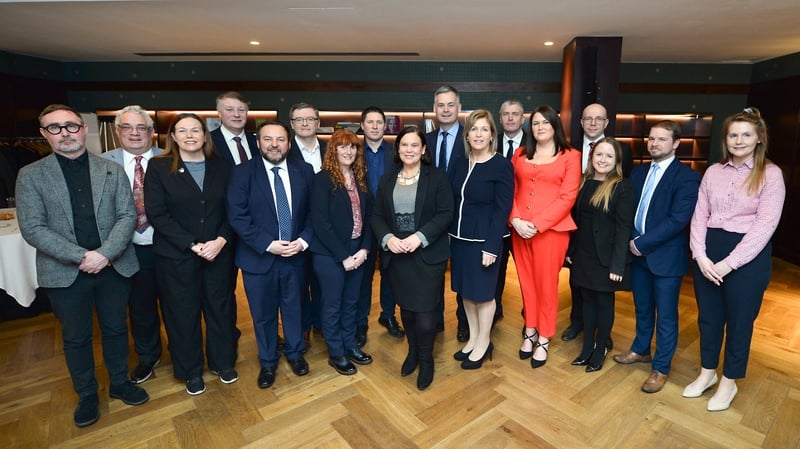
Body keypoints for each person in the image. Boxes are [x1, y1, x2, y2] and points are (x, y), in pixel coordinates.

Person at [16, 104, 148, 427]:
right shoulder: (30, 175)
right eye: (55, 128)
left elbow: (126, 216)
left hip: (113, 265)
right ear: (44, 134)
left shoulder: (112, 170)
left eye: (71, 126)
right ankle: (87, 394)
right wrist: (81, 257)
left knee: (117, 328)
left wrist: (104, 253)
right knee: (76, 337)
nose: (65, 134)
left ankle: (119, 382)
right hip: (64, 272)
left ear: (83, 129)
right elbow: (33, 228)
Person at [684, 108, 785, 411]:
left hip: (747, 258)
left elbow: (765, 225)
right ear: (725, 139)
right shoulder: (713, 172)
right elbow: (700, 215)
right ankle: (707, 374)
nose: (738, 140)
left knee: (739, 323)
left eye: (746, 134)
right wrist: (700, 255)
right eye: (733, 134)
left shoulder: (771, 174)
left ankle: (729, 382)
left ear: (758, 139)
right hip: (709, 250)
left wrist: (729, 263)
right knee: (709, 319)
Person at [144, 113, 237, 395]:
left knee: (221, 310)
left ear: (204, 135)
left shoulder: (222, 165)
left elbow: (233, 209)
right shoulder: (158, 166)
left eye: (195, 130)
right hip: (177, 256)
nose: (189, 135)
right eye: (182, 131)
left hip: (219, 253)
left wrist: (221, 240)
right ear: (172, 136)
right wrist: (193, 244)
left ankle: (223, 362)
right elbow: (157, 214)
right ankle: (190, 370)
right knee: (182, 314)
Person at [613, 120, 700, 394]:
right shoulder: (638, 173)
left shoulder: (687, 177)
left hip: (665, 258)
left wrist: (642, 242)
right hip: (637, 255)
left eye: (662, 139)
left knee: (666, 316)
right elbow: (626, 211)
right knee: (642, 308)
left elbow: (678, 220)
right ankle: (641, 349)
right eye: (651, 139)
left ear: (675, 144)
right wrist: (631, 241)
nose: (654, 144)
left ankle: (661, 368)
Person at [226, 120, 314, 389]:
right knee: (263, 314)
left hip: (295, 255)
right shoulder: (242, 173)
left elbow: (315, 213)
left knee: (294, 308)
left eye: (280, 139)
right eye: (268, 139)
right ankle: (267, 361)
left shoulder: (305, 170)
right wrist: (267, 244)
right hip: (258, 258)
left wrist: (302, 241)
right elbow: (237, 216)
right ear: (258, 142)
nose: (274, 145)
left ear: (289, 143)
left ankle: (296, 353)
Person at [371, 125, 454, 390]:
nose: (409, 150)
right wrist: (388, 239)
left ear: (423, 149)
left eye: (414, 145)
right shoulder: (387, 179)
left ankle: (426, 359)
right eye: (404, 145)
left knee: (427, 313)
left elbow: (445, 213)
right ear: (398, 149)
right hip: (398, 256)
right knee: (406, 310)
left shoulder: (437, 177)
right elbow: (377, 216)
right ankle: (413, 352)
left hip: (427, 255)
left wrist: (419, 237)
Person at [510, 104, 581, 369]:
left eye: (545, 122)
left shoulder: (570, 156)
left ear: (555, 126)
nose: (540, 127)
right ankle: (530, 329)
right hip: (519, 230)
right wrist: (515, 219)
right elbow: (511, 189)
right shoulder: (519, 154)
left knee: (546, 285)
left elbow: (568, 197)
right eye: (536, 123)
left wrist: (537, 225)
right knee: (526, 283)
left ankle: (544, 337)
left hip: (550, 232)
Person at [562, 102, 634, 342]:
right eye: (588, 119)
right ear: (581, 123)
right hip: (579, 234)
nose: (593, 123)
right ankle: (578, 323)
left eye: (598, 118)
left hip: (605, 236)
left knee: (602, 295)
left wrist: (618, 261)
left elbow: (621, 209)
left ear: (606, 122)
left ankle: (602, 336)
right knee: (577, 285)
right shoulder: (569, 151)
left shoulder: (621, 150)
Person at [103, 105, 163, 384]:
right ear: (117, 132)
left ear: (152, 132)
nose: (135, 133)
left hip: (170, 245)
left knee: (179, 303)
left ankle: (184, 352)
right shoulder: (102, 164)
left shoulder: (170, 159)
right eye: (127, 127)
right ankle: (148, 356)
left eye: (142, 127)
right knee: (140, 307)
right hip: (127, 248)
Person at [449, 110, 513, 369]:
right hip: (460, 239)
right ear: (467, 135)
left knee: (484, 294)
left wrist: (492, 245)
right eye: (473, 129)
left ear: (492, 135)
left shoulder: (501, 165)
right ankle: (473, 338)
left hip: (485, 241)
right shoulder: (460, 162)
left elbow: (502, 209)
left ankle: (484, 342)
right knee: (466, 292)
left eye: (484, 129)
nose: (478, 134)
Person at [311, 129, 374, 375]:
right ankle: (336, 352)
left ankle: (350, 345)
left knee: (351, 303)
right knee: (332, 304)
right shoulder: (323, 179)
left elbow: (369, 218)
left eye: (353, 147)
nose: (348, 151)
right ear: (333, 151)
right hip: (330, 254)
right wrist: (343, 256)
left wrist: (365, 249)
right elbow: (320, 222)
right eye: (342, 146)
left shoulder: (360, 178)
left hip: (357, 250)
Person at [357, 106, 403, 345]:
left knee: (390, 273)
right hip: (362, 224)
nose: (374, 126)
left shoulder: (395, 153)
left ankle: (388, 315)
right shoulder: (353, 151)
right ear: (362, 125)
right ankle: (361, 322)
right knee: (363, 277)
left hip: (389, 224)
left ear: (385, 126)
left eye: (379, 122)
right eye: (370, 122)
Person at [424, 85, 467, 340]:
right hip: (431, 220)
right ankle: (435, 320)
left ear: (459, 108)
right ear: (434, 109)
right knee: (433, 272)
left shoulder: (470, 138)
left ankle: (463, 322)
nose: (446, 109)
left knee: (462, 273)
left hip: (463, 219)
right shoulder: (426, 141)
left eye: (451, 104)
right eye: (441, 105)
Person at [288, 102, 327, 348]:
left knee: (323, 280)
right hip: (297, 228)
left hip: (326, 229)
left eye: (310, 119)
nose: (305, 123)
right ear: (291, 124)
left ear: (318, 122)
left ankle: (322, 324)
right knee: (298, 283)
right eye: (299, 119)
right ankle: (302, 328)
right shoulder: (284, 150)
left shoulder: (329, 148)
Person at [495, 99, 529, 323]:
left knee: (527, 274)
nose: (510, 118)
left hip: (524, 222)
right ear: (500, 118)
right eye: (505, 114)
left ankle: (531, 314)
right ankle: (493, 312)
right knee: (495, 272)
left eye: (514, 114)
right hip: (496, 221)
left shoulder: (535, 144)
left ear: (522, 118)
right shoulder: (490, 142)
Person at [210, 91, 258, 165]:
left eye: (241, 110)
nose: (236, 114)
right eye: (230, 110)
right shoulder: (209, 142)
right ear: (219, 113)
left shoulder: (257, 141)